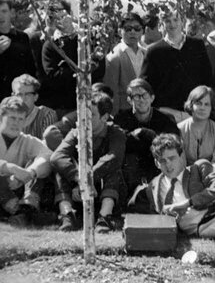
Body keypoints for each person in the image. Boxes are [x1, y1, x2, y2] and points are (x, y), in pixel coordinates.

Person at [129, 133, 215, 265]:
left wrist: (188, 203)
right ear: (156, 163)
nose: (168, 165)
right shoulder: (153, 187)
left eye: (172, 158)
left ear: (182, 156)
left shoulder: (198, 168)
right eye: (163, 161)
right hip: (196, 230)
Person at [49, 93, 126, 233]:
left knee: (114, 169)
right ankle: (67, 214)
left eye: (91, 115)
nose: (84, 119)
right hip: (78, 190)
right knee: (59, 170)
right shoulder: (75, 133)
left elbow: (114, 157)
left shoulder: (115, 132)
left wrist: (88, 179)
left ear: (105, 117)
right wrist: (79, 179)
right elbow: (57, 157)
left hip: (103, 191)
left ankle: (104, 217)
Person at [141, 6, 212, 120]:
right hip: (167, 113)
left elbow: (207, 77)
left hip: (195, 110)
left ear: (182, 22)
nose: (172, 24)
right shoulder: (153, 51)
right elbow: (146, 85)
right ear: (162, 25)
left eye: (175, 20)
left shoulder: (197, 45)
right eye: (167, 21)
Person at [39, 0, 106, 116]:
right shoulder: (51, 45)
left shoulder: (88, 37)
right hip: (64, 107)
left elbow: (99, 69)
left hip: (91, 105)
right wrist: (80, 70)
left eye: (59, 11)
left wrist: (66, 68)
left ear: (69, 13)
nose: (57, 16)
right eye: (52, 13)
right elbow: (53, 77)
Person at [114, 78, 180, 195]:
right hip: (133, 165)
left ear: (152, 98)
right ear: (129, 100)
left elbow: (174, 143)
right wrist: (136, 134)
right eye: (136, 96)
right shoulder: (121, 118)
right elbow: (119, 142)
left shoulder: (165, 118)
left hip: (157, 162)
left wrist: (149, 134)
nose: (141, 100)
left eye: (144, 95)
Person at [0, 96, 52, 227]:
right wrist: (11, 168)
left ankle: (26, 208)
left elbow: (47, 155)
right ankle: (25, 215)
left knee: (37, 167)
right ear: (1, 117)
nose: (16, 123)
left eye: (20, 119)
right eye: (12, 118)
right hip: (3, 187)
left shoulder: (27, 140)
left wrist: (29, 173)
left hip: (17, 188)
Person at [103, 12, 147, 115]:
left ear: (142, 31)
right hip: (125, 112)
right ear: (119, 31)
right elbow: (112, 91)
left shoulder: (146, 53)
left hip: (145, 110)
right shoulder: (114, 57)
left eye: (137, 29)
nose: (133, 32)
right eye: (128, 29)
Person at [177, 86, 215, 171]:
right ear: (191, 105)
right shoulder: (180, 129)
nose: (202, 108)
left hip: (210, 175)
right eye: (198, 103)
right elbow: (180, 163)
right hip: (185, 175)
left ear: (212, 108)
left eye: (207, 104)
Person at [0, 0, 37, 100]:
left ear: (11, 13)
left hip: (20, 98)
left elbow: (31, 69)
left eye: (4, 11)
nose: (0, 16)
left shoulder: (23, 37)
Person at [10, 74, 57, 141]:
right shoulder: (5, 116)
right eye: (19, 94)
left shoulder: (46, 115)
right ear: (13, 96)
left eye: (28, 94)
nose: (23, 99)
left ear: (35, 97)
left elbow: (46, 148)